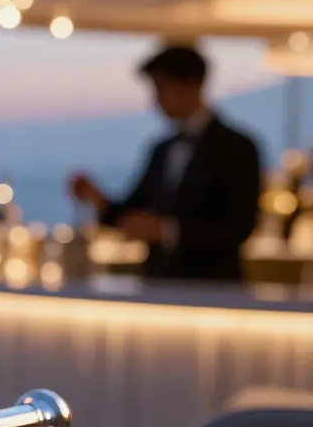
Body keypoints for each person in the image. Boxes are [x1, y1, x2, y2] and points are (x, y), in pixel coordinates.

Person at [69, 44, 261, 281]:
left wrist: (167, 231)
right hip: (158, 284)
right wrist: (97, 199)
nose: (156, 99)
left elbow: (239, 228)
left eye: (162, 88)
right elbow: (135, 210)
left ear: (192, 85)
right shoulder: (162, 149)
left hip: (213, 287)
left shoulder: (237, 148)